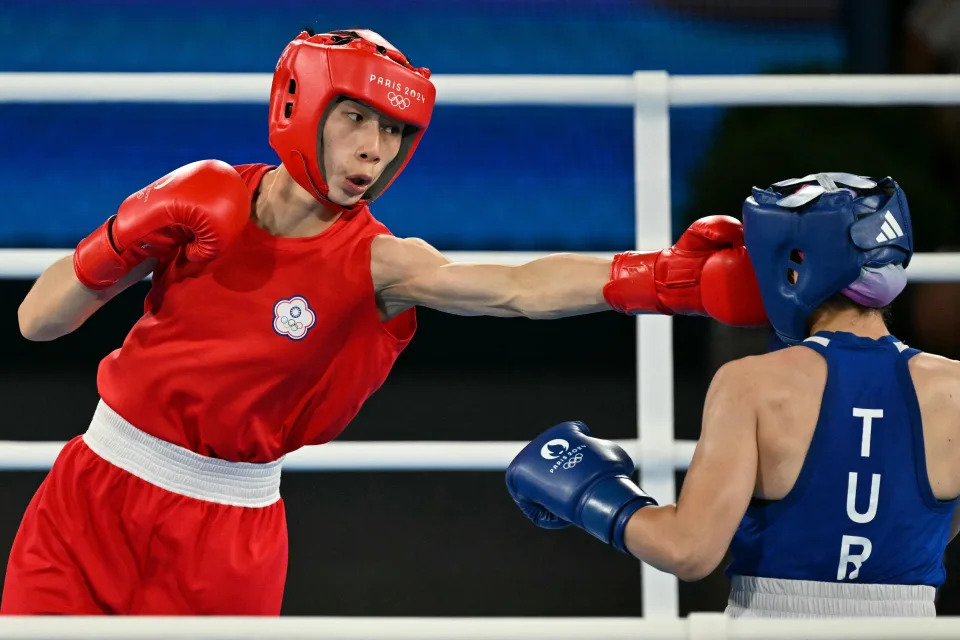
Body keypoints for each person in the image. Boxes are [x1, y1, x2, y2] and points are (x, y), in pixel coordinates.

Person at [3, 29, 765, 615]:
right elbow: (37, 321)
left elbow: (516, 286)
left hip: (225, 531)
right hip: (89, 493)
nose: (374, 150)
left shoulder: (381, 263)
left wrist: (657, 278)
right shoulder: (203, 202)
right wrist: (121, 235)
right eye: (356, 119)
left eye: (395, 132)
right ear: (300, 106)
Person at [507, 172, 960, 618]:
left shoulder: (753, 385)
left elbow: (688, 550)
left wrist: (594, 494)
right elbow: (938, 528)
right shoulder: (954, 388)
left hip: (772, 622)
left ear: (793, 263)